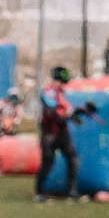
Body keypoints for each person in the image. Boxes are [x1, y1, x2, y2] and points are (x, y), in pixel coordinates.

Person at [34, 66, 94, 199]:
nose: (61, 84)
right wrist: (72, 113)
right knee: (47, 163)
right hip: (50, 134)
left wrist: (83, 110)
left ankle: (72, 192)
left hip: (62, 134)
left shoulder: (60, 93)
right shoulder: (48, 92)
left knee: (73, 159)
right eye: (61, 81)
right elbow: (56, 111)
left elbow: (66, 111)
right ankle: (39, 193)